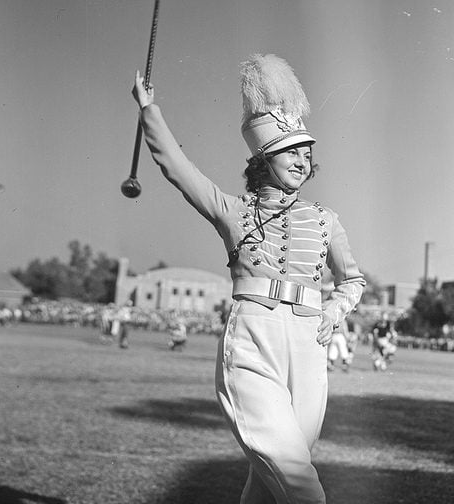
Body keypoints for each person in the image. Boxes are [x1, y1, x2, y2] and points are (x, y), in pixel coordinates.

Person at [131, 53, 365, 504]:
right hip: (254, 340)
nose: (301, 159)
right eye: (288, 151)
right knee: (299, 483)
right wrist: (148, 110)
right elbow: (179, 168)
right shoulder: (234, 212)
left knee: (271, 480)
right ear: (263, 159)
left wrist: (336, 310)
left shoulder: (325, 219)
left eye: (305, 152)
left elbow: (352, 280)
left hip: (310, 345)